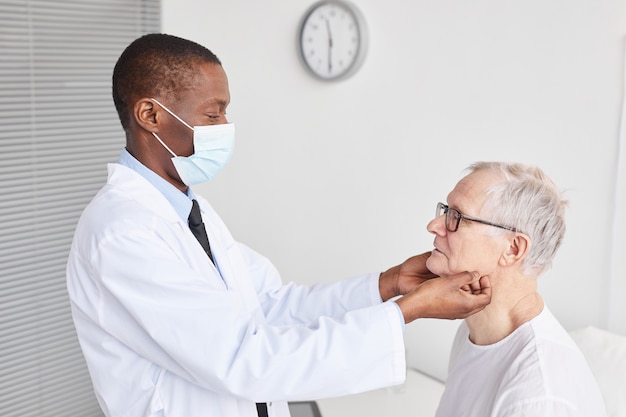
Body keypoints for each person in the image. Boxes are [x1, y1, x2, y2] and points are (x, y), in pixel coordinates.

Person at [65, 33, 492, 417]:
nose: (225, 128)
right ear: (149, 115)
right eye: (213, 115)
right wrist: (410, 311)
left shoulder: (186, 210)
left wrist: (390, 284)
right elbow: (244, 358)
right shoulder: (123, 232)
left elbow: (268, 307)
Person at [427, 161, 607, 417]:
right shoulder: (473, 333)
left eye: (457, 216)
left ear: (513, 249)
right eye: (445, 210)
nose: (434, 225)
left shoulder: (537, 397)